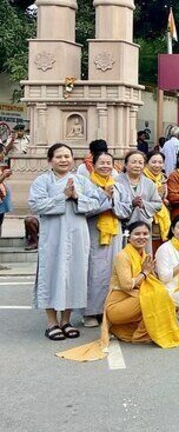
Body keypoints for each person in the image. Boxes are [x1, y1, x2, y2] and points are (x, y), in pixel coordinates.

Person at [29, 143, 101, 341]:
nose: (63, 160)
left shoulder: (82, 181)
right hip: (53, 235)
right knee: (52, 273)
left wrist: (77, 196)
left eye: (67, 156)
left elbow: (96, 202)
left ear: (73, 159)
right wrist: (63, 196)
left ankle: (66, 320)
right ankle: (51, 322)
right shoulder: (42, 181)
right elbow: (36, 205)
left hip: (78, 233)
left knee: (74, 274)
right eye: (59, 157)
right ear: (50, 160)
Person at [101, 222, 179, 348]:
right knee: (152, 296)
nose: (141, 237)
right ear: (128, 237)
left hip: (133, 300)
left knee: (160, 294)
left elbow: (155, 281)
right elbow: (126, 286)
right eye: (137, 234)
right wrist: (144, 273)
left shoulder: (145, 256)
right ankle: (141, 334)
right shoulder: (122, 256)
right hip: (117, 306)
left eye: (145, 234)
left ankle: (130, 330)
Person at [84, 152, 131, 328]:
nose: (105, 166)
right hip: (94, 232)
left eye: (108, 163)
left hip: (115, 233)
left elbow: (126, 209)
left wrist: (112, 204)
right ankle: (89, 312)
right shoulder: (87, 185)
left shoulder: (118, 186)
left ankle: (108, 309)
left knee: (113, 271)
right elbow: (84, 209)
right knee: (93, 271)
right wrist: (105, 198)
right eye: (101, 162)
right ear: (93, 164)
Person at [115, 151, 163, 251]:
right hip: (124, 226)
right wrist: (131, 204)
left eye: (140, 163)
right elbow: (114, 205)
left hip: (144, 227)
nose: (137, 165)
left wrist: (143, 204)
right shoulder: (117, 181)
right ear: (126, 164)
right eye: (134, 162)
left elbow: (158, 204)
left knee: (144, 256)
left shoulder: (149, 183)